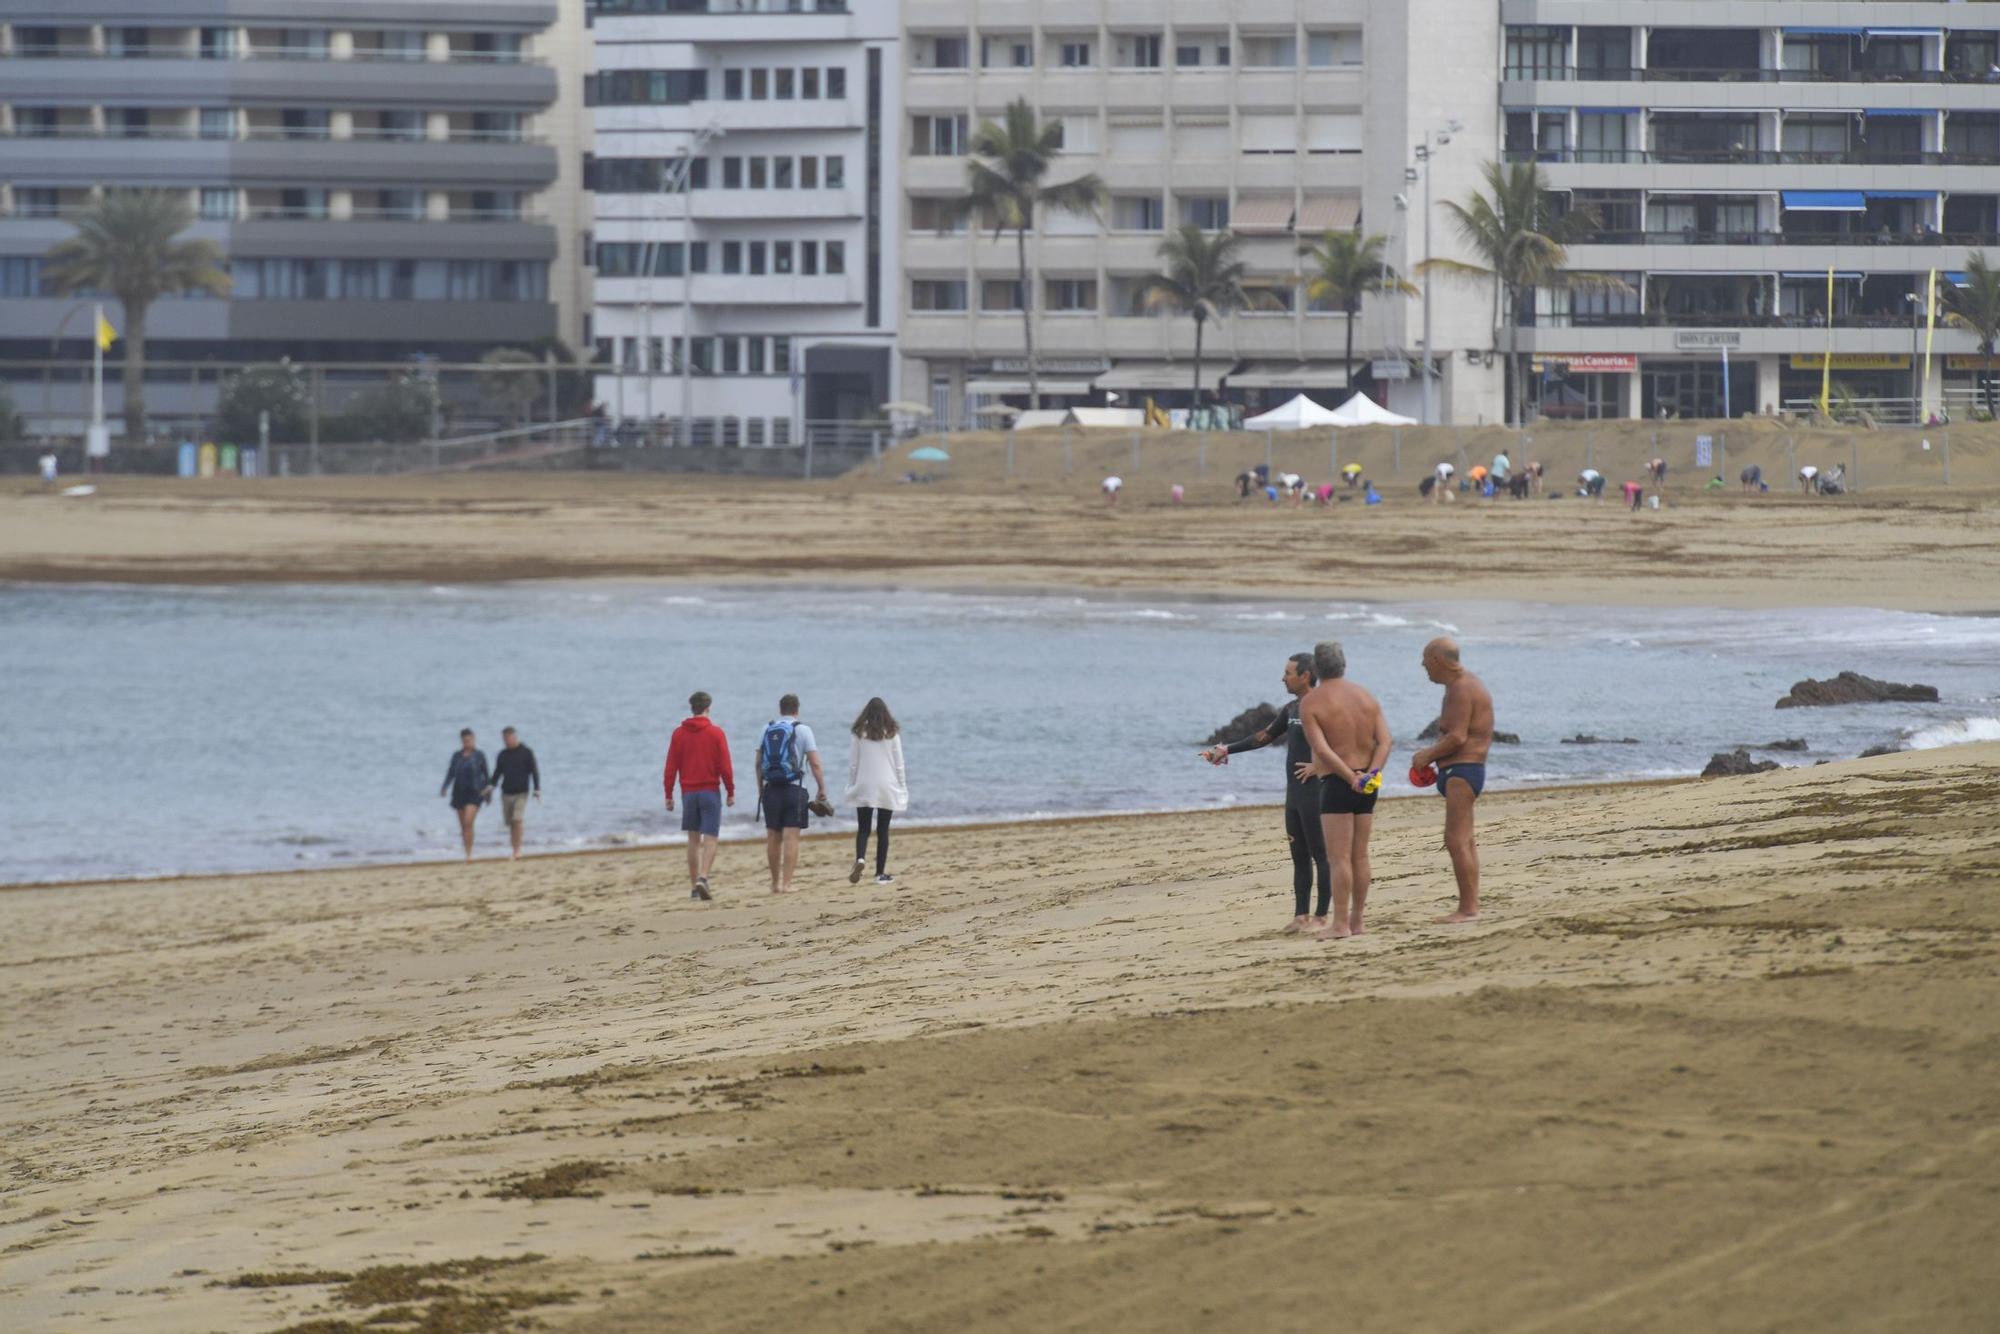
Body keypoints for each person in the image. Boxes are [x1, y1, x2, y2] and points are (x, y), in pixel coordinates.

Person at [1200, 652, 1328, 934]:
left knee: (1322, 855)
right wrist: (1225, 750)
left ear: (1305, 675)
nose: (1283, 678)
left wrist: (1320, 766)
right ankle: (1301, 916)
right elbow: (1263, 737)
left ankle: (1321, 917)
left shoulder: (1323, 704)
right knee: (1298, 855)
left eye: (1288, 673)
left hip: (1316, 793)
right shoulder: (1292, 709)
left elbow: (1345, 740)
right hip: (1294, 794)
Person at [1294, 641, 1392, 941]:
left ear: (1315, 669)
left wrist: (1348, 776)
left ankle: (1340, 924)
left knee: (1339, 859)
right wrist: (1369, 774)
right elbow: (1386, 741)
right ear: (1343, 664)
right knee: (1360, 855)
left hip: (1338, 783)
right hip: (1367, 782)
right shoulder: (1365, 696)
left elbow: (1321, 749)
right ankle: (1357, 920)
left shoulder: (1312, 702)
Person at [1410, 638, 1494, 923]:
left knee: (1455, 839)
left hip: (1463, 770)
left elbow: (1458, 737)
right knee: (1465, 840)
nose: (1422, 666)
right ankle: (1471, 905)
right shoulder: (1459, 686)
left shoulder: (1461, 688)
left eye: (1424, 659)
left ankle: (1468, 909)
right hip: (1461, 771)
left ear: (1438, 660)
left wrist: (1426, 755)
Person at [664, 690, 735, 900]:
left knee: (693, 840)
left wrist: (668, 794)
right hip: (710, 791)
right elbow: (725, 766)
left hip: (688, 793)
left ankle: (695, 887)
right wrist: (730, 790)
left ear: (691, 708)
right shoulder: (716, 733)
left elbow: (671, 766)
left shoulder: (678, 733)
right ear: (708, 708)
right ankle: (703, 877)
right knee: (710, 837)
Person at [756, 693, 827, 894]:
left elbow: (758, 763)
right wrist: (821, 787)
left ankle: (774, 883)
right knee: (791, 837)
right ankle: (787, 884)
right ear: (797, 710)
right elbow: (814, 763)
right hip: (794, 789)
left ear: (780, 710)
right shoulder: (803, 730)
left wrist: (760, 789)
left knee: (772, 836)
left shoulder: (767, 729)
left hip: (771, 788)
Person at [844, 697, 908, 886]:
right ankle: (879, 874)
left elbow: (853, 764)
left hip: (864, 784)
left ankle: (861, 858)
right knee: (883, 830)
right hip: (886, 785)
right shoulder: (892, 733)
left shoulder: (859, 733)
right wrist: (902, 785)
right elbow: (899, 764)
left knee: (863, 828)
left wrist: (851, 784)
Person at [439, 728, 491, 861]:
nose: (467, 743)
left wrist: (488, 793)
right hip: (459, 793)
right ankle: (468, 853)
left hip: (475, 793)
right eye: (464, 741)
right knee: (463, 826)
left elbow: (486, 775)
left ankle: (469, 853)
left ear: (473, 740)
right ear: (461, 741)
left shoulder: (479, 755)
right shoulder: (457, 756)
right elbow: (450, 773)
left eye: (469, 740)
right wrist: (445, 787)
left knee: (468, 822)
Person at [491, 726, 541, 861]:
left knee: (517, 819)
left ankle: (518, 850)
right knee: (510, 823)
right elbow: (497, 773)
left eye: (508, 738)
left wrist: (537, 789)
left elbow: (534, 771)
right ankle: (514, 849)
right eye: (504, 739)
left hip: (521, 792)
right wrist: (491, 786)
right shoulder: (502, 755)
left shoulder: (526, 752)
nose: (506, 741)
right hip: (506, 793)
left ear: (515, 737)